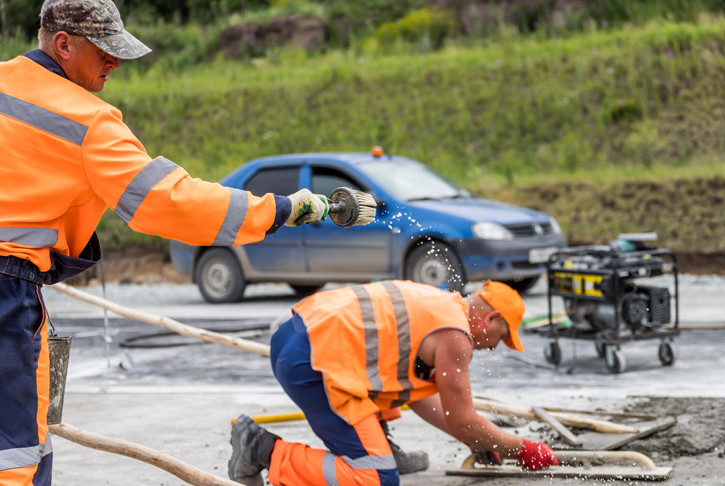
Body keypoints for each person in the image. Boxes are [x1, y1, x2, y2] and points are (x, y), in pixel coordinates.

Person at [0, 1, 329, 484]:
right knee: (14, 455)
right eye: (104, 51)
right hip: (8, 290)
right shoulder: (87, 121)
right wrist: (281, 209)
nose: (115, 63)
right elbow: (171, 201)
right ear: (64, 44)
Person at [229, 280, 559, 486]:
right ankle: (265, 451)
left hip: (296, 335)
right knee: (376, 478)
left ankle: (381, 447)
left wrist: (478, 441)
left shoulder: (441, 304)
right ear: (492, 319)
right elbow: (463, 417)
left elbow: (418, 398)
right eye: (502, 337)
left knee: (399, 385)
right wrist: (522, 448)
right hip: (315, 364)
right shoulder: (456, 338)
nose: (495, 346)